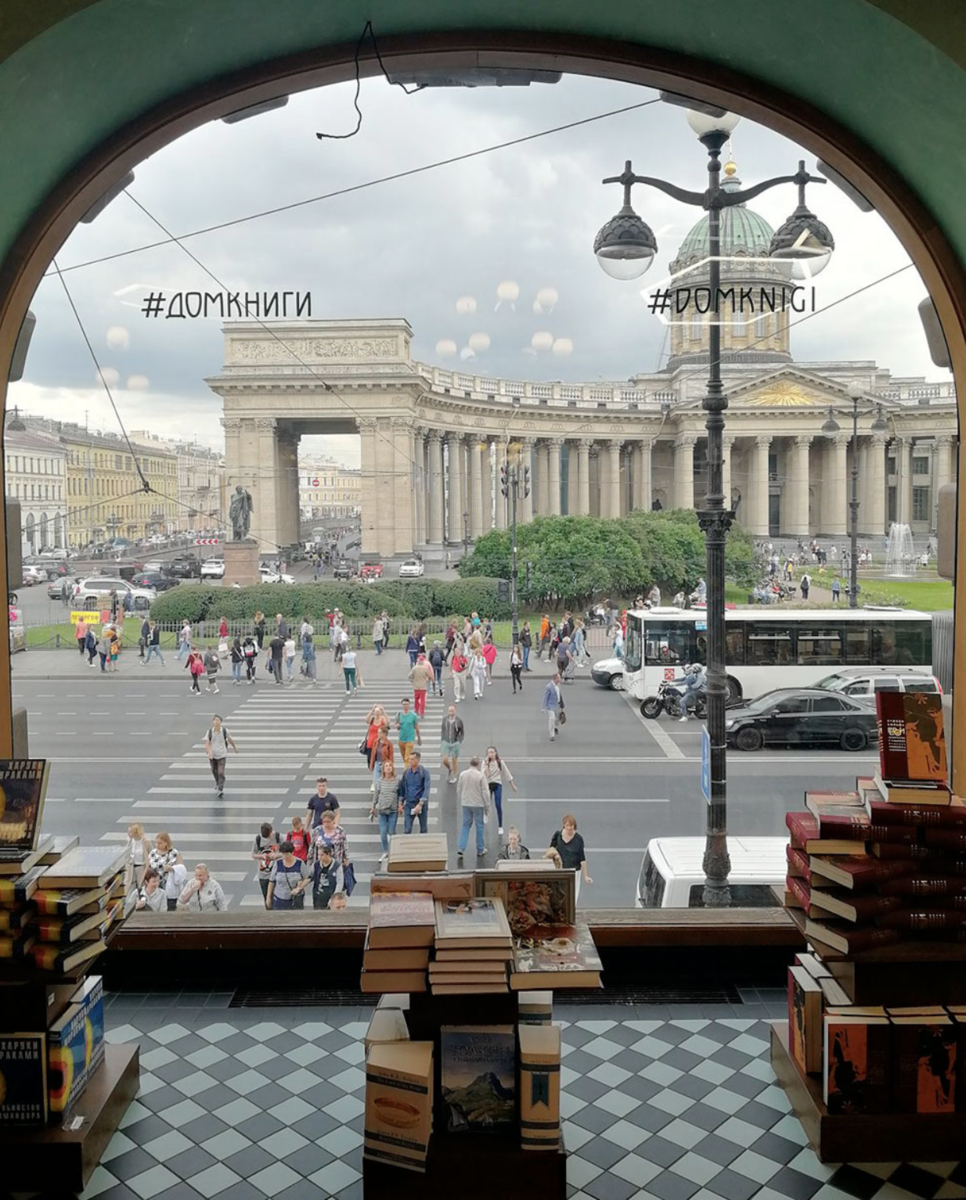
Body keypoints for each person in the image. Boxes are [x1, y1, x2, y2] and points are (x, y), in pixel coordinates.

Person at [550, 813, 593, 901]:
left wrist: (585, 876)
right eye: (567, 825)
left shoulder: (578, 839)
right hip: (561, 870)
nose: (569, 828)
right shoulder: (558, 835)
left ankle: (572, 912)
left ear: (574, 826)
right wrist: (556, 857)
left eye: (571, 825)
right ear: (564, 826)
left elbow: (582, 858)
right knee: (560, 895)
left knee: (573, 896)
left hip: (574, 871)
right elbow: (551, 850)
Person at [456, 756, 490, 860]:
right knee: (479, 826)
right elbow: (485, 792)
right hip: (478, 804)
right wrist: (487, 806)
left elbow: (459, 789)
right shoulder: (481, 776)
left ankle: (461, 848)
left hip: (466, 803)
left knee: (466, 825)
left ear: (469, 763)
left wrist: (462, 800)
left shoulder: (463, 774)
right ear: (478, 764)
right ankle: (480, 849)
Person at [370, 760, 402, 862]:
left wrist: (401, 805)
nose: (388, 768)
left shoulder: (397, 781)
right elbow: (376, 795)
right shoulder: (379, 781)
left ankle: (394, 850)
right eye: (386, 766)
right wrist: (373, 807)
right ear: (383, 769)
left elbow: (400, 795)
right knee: (383, 832)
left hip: (393, 810)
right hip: (382, 810)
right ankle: (385, 851)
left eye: (390, 766)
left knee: (391, 831)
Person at [483, 746, 517, 836]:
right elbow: (485, 775)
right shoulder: (485, 763)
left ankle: (500, 826)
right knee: (487, 803)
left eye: (492, 752)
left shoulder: (500, 763)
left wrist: (512, 785)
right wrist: (486, 765)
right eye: (489, 752)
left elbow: (507, 773)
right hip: (488, 784)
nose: (490, 754)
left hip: (497, 784)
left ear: (495, 753)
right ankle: (486, 814)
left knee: (498, 804)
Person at [266, 843, 309, 910]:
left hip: (294, 899)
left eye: (287, 854)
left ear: (292, 852)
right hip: (279, 898)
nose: (285, 856)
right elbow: (271, 881)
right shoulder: (278, 863)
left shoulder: (299, 863)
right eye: (283, 854)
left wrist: (299, 887)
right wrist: (268, 897)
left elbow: (307, 878)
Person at [399, 749, 431, 834]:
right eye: (409, 759)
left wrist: (420, 804)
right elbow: (402, 788)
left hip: (420, 803)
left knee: (423, 829)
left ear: (418, 760)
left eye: (412, 759)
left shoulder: (424, 772)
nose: (410, 761)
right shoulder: (406, 773)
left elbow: (426, 789)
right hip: (409, 803)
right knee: (407, 829)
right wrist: (401, 804)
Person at [315, 810, 349, 888]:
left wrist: (346, 858)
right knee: (322, 883)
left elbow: (345, 845)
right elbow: (313, 846)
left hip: (336, 861)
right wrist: (310, 859)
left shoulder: (340, 830)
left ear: (333, 821)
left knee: (336, 883)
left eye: (328, 821)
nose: (326, 824)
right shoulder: (317, 830)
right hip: (322, 862)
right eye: (324, 821)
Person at [205, 714, 237, 797]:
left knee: (221, 772)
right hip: (212, 755)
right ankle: (217, 782)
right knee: (213, 770)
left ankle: (220, 788)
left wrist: (234, 747)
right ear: (213, 722)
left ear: (221, 722)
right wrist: (209, 751)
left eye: (218, 720)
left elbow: (230, 739)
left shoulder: (224, 731)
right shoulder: (209, 732)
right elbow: (207, 743)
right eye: (215, 720)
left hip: (222, 754)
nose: (216, 722)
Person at [252, 822, 280, 903]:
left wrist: (276, 855)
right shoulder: (258, 839)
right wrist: (262, 856)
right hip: (263, 875)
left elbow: (286, 852)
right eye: (270, 834)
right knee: (267, 898)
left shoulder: (278, 837)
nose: (272, 835)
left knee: (276, 897)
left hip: (276, 873)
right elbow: (253, 855)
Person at [440, 705, 464, 785]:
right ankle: (449, 768)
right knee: (444, 760)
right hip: (446, 742)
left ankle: (454, 775)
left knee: (454, 760)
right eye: (450, 711)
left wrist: (459, 740)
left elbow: (462, 732)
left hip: (455, 742)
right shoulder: (445, 720)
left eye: (452, 711)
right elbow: (443, 729)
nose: (451, 712)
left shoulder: (459, 720)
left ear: (455, 711)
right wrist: (443, 739)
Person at [395, 697, 421, 766]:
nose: (405, 706)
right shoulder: (399, 715)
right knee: (405, 758)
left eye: (407, 704)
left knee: (407, 758)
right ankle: (410, 769)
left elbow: (417, 728)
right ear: (401, 705)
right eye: (404, 704)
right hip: (401, 739)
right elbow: (396, 724)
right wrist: (397, 726)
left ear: (409, 705)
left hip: (410, 740)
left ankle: (406, 774)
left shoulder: (413, 716)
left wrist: (419, 739)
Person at [312, 844, 339, 909]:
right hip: (318, 895)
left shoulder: (337, 866)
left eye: (322, 855)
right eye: (318, 855)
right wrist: (300, 886)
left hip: (330, 894)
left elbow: (340, 883)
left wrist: (334, 898)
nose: (319, 857)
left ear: (328, 854)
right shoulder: (316, 864)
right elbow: (310, 876)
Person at [126, 821, 151, 890]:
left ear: (136, 833)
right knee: (130, 886)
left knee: (141, 886)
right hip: (131, 866)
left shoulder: (146, 841)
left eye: (131, 832)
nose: (128, 833)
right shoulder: (130, 840)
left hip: (141, 867)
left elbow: (150, 855)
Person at [542, 673, 563, 741]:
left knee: (557, 719)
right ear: (555, 679)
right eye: (559, 678)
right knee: (552, 719)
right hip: (550, 706)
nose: (560, 679)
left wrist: (562, 704)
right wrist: (543, 707)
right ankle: (552, 735)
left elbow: (560, 695)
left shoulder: (558, 685)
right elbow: (545, 697)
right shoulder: (549, 687)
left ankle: (555, 727)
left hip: (557, 705)